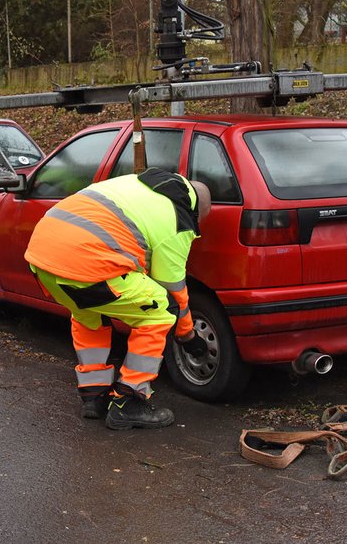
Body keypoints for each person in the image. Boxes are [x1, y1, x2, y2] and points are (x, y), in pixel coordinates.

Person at [24, 167, 212, 430]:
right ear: (197, 211)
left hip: (42, 258)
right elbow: (173, 289)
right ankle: (130, 402)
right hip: (87, 261)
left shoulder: (136, 184)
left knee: (90, 313)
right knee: (160, 309)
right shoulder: (178, 222)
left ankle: (94, 394)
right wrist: (187, 336)